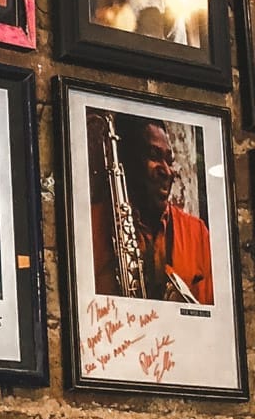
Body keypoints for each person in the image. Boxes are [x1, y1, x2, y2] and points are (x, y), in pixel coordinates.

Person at [90, 113, 212, 304]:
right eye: (154, 156)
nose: (167, 171)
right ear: (128, 162)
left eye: (169, 160)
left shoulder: (197, 234)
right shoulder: (91, 225)